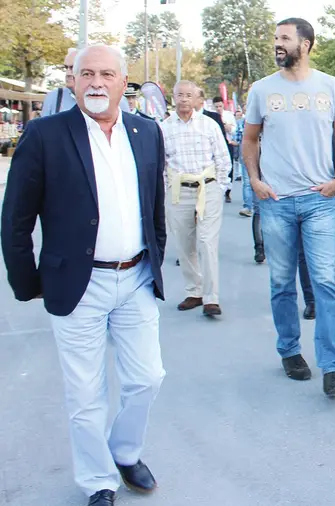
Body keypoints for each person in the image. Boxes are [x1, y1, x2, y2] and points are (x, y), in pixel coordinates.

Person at [1, 44, 167, 506]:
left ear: (123, 81)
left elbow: (154, 207)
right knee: (85, 394)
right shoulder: (44, 135)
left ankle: (125, 451)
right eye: (86, 73)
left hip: (134, 279)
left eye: (107, 74)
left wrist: (155, 260)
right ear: (72, 81)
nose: (96, 82)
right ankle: (98, 481)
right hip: (78, 284)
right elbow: (16, 216)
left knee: (147, 378)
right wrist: (27, 281)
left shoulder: (145, 131)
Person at [243, 17, 335, 396]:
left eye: (284, 38)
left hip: (319, 200)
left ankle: (333, 369)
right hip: (276, 202)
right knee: (280, 282)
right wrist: (255, 181)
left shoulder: (330, 86)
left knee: (325, 282)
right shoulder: (261, 90)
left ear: (305, 44)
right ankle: (290, 351)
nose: (277, 43)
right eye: (275, 37)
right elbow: (250, 140)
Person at [161, 80, 231, 317]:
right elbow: (161, 164)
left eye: (188, 95)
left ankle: (212, 298)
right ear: (173, 97)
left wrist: (220, 187)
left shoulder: (209, 125)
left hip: (207, 188)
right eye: (179, 94)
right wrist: (166, 191)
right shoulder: (164, 127)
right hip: (179, 190)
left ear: (197, 100)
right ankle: (194, 291)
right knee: (184, 242)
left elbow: (223, 158)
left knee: (206, 241)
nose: (183, 99)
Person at [42, 48, 130, 117]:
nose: (68, 73)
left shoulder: (118, 101)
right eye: (66, 68)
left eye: (72, 68)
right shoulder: (54, 97)